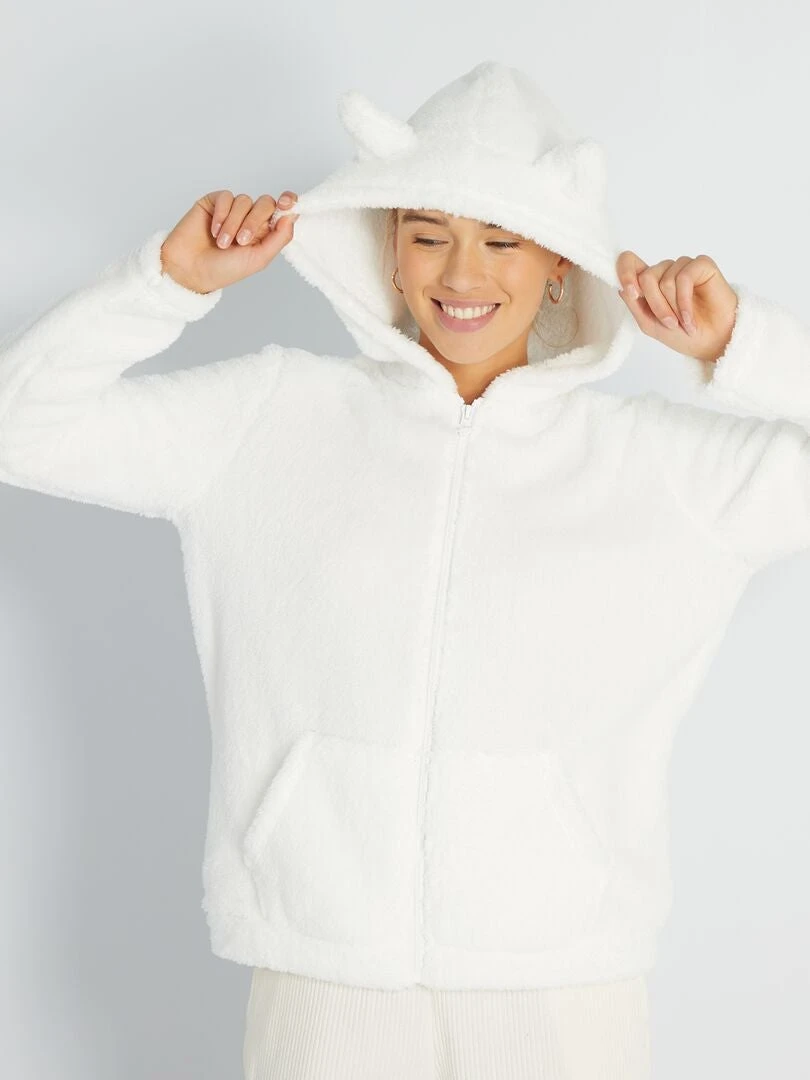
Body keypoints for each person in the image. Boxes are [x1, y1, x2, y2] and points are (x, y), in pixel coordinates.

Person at [1, 59, 805, 1079]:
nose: (462, 276)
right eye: (429, 235)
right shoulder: (267, 417)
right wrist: (166, 285)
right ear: (389, 248)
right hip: (323, 977)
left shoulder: (658, 467)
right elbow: (23, 427)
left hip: (563, 987)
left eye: (502, 240)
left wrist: (743, 345)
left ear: (560, 265)